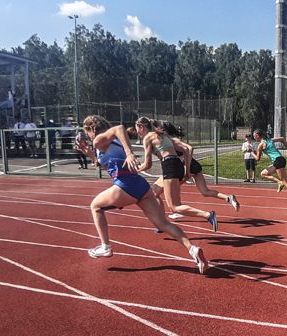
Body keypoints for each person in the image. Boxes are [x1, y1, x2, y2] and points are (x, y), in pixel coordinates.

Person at [75, 115, 209, 274]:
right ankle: (192, 249)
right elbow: (105, 165)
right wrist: (88, 153)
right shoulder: (109, 142)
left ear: (92, 128)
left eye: (87, 132)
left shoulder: (99, 140)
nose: (88, 136)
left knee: (95, 206)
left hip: (126, 184)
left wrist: (129, 153)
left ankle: (105, 247)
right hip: (141, 185)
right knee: (163, 224)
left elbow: (119, 128)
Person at [134, 117, 219, 231]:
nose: (137, 133)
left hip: (170, 165)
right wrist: (187, 170)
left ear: (141, 127)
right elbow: (186, 150)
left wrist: (135, 169)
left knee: (175, 207)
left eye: (137, 129)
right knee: (154, 192)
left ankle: (208, 215)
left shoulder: (148, 138)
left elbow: (148, 164)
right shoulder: (162, 135)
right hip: (177, 164)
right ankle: (162, 224)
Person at [154, 120, 240, 212]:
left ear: (164, 130)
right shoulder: (166, 139)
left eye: (157, 128)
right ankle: (228, 197)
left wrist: (187, 167)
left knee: (157, 191)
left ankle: (177, 210)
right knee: (205, 191)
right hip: (193, 167)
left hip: (186, 166)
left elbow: (190, 148)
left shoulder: (172, 139)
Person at [253, 128, 287, 204]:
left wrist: (251, 153)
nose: (254, 138)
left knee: (285, 182)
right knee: (263, 173)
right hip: (279, 160)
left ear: (258, 135)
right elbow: (282, 139)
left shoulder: (261, 145)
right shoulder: (270, 140)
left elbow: (258, 158)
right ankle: (279, 182)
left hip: (278, 161)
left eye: (254, 136)